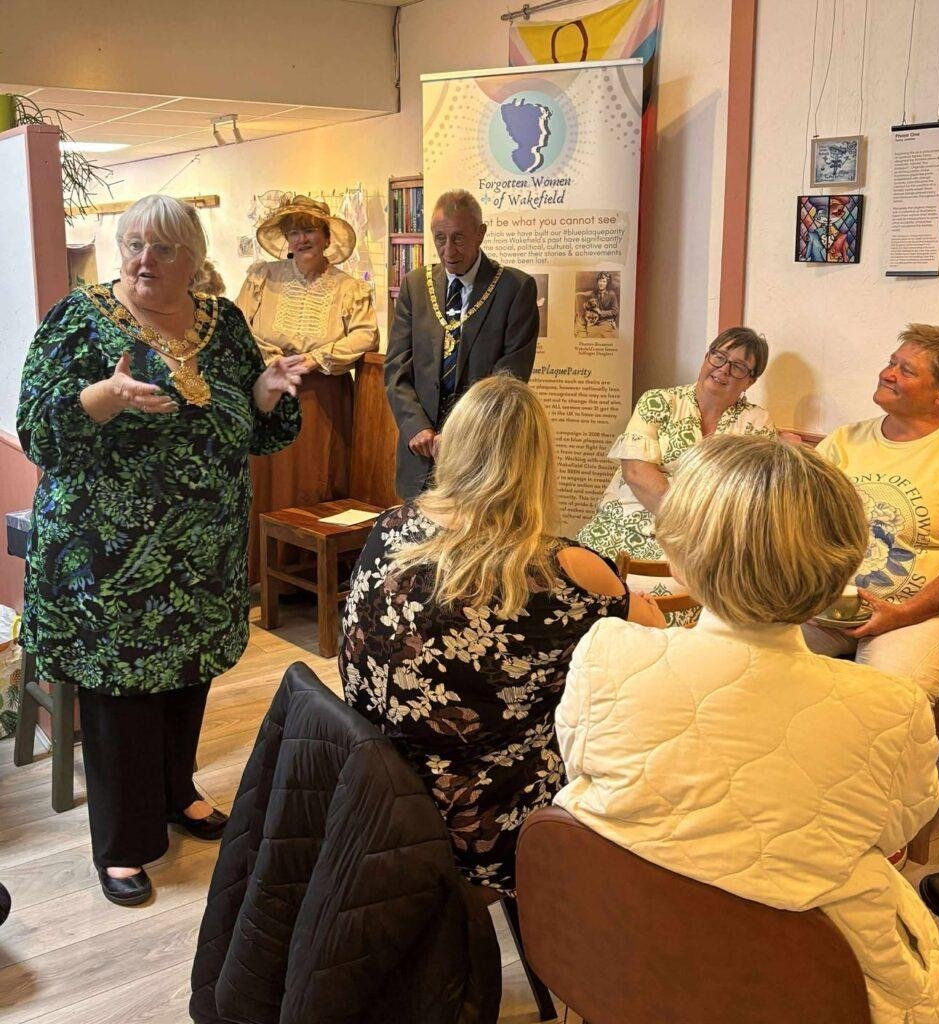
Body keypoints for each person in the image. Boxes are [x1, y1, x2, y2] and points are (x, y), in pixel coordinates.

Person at [556, 435, 939, 1024]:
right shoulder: (891, 706)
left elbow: (579, 767)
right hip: (805, 983)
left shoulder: (606, 653)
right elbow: (898, 826)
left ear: (678, 553)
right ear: (842, 564)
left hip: (624, 949)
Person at [17, 195, 307, 907]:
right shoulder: (78, 320)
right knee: (121, 695)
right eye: (134, 243)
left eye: (164, 247)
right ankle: (124, 843)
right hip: (106, 559)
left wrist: (266, 391)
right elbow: (37, 431)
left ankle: (178, 792)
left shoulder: (224, 323)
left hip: (202, 553)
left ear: (194, 259)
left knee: (187, 674)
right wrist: (105, 396)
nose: (145, 259)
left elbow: (257, 431)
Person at [340, 375, 664, 897]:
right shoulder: (562, 569)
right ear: (538, 464)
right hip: (481, 820)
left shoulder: (392, 525)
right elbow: (656, 641)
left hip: (377, 787)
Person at [803, 324, 939, 702]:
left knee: (887, 697)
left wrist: (904, 613)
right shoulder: (845, 440)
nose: (888, 373)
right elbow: (797, 522)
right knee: (743, 648)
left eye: (906, 370)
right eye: (891, 362)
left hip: (919, 617)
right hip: (828, 605)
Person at [237, 195, 379, 579]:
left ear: (326, 237)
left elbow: (366, 335)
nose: (302, 239)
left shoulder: (349, 287)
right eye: (294, 232)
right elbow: (238, 326)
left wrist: (317, 358)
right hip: (271, 390)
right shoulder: (263, 278)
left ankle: (311, 576)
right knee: (269, 477)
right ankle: (268, 574)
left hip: (323, 396)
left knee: (317, 478)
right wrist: (273, 359)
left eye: (310, 231)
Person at [385, 189, 539, 500]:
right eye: (440, 238)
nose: (447, 250)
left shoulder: (514, 288)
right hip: (421, 454)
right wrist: (415, 426)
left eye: (458, 238)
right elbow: (396, 367)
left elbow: (509, 380)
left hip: (482, 454)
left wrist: (459, 436)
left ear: (480, 233)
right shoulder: (415, 286)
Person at [578, 326, 776, 562]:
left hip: (701, 546)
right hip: (622, 527)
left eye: (738, 367)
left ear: (750, 381)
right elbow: (636, 473)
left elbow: (749, 495)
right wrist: (694, 521)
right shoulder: (658, 401)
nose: (724, 369)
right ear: (706, 357)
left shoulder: (756, 422)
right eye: (719, 356)